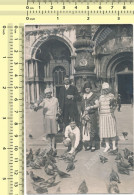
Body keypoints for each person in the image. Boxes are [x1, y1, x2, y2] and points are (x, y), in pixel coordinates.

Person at [98, 82, 117, 152]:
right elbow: (99, 106)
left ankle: (114, 145)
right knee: (105, 131)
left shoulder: (112, 96)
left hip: (110, 115)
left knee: (112, 130)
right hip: (103, 115)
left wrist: (113, 110)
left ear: (109, 89)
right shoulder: (101, 97)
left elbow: (115, 105)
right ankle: (107, 146)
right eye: (104, 89)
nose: (105, 90)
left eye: (106, 89)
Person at [81, 82, 99, 152]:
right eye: (86, 88)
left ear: (90, 88)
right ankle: (88, 144)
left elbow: (97, 105)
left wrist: (91, 107)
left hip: (92, 114)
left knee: (92, 129)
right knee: (86, 130)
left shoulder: (94, 95)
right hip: (84, 115)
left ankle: (93, 145)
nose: (87, 89)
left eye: (88, 87)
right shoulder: (83, 96)